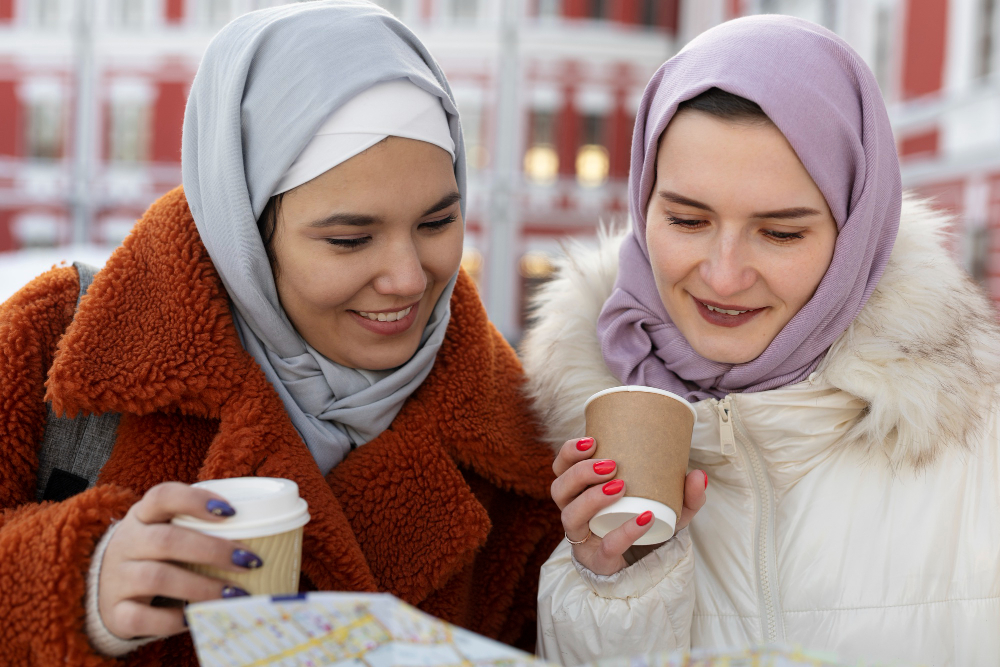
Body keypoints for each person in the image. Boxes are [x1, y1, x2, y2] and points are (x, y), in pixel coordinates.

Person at [0, 2, 561, 664]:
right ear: (244, 227)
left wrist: (606, 579)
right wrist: (77, 580)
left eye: (437, 223)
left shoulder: (519, 436)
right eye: (351, 238)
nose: (410, 278)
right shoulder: (58, 339)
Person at [522, 15, 1000, 667]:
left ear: (857, 231)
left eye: (780, 233)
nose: (723, 274)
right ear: (642, 203)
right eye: (687, 220)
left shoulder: (981, 439)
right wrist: (613, 586)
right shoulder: (556, 424)